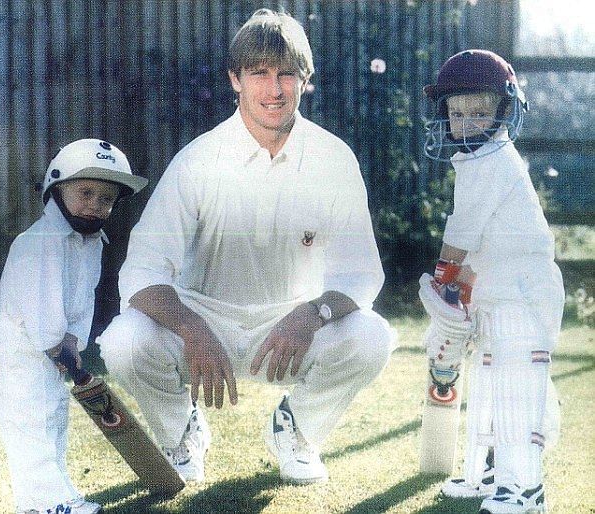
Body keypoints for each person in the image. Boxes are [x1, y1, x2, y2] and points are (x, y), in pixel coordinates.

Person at [97, 9, 396, 485]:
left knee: (372, 337)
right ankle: (182, 431)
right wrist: (192, 328)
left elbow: (360, 275)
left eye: (286, 74)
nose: (273, 90)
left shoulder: (334, 160)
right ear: (235, 80)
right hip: (202, 322)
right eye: (258, 73)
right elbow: (142, 274)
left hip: (288, 326)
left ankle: (296, 428)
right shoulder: (197, 161)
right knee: (124, 341)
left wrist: (312, 314)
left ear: (305, 80)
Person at [420, 49, 564, 514]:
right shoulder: (475, 160)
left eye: (479, 112)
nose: (464, 123)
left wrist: (443, 281)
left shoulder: (494, 160)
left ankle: (525, 490)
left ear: (505, 112)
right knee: (486, 386)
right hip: (496, 295)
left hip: (524, 299)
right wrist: (456, 296)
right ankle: (486, 476)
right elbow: (479, 243)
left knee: (514, 388)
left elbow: (461, 236)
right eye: (456, 113)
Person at [0, 139, 148, 514]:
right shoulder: (38, 242)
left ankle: (51, 495)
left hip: (54, 344)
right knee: (29, 419)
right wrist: (69, 361)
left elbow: (84, 297)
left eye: (106, 199)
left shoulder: (92, 242)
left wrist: (75, 340)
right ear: (56, 190)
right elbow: (42, 314)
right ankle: (47, 500)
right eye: (86, 192)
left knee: (54, 416)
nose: (96, 204)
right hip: (21, 346)